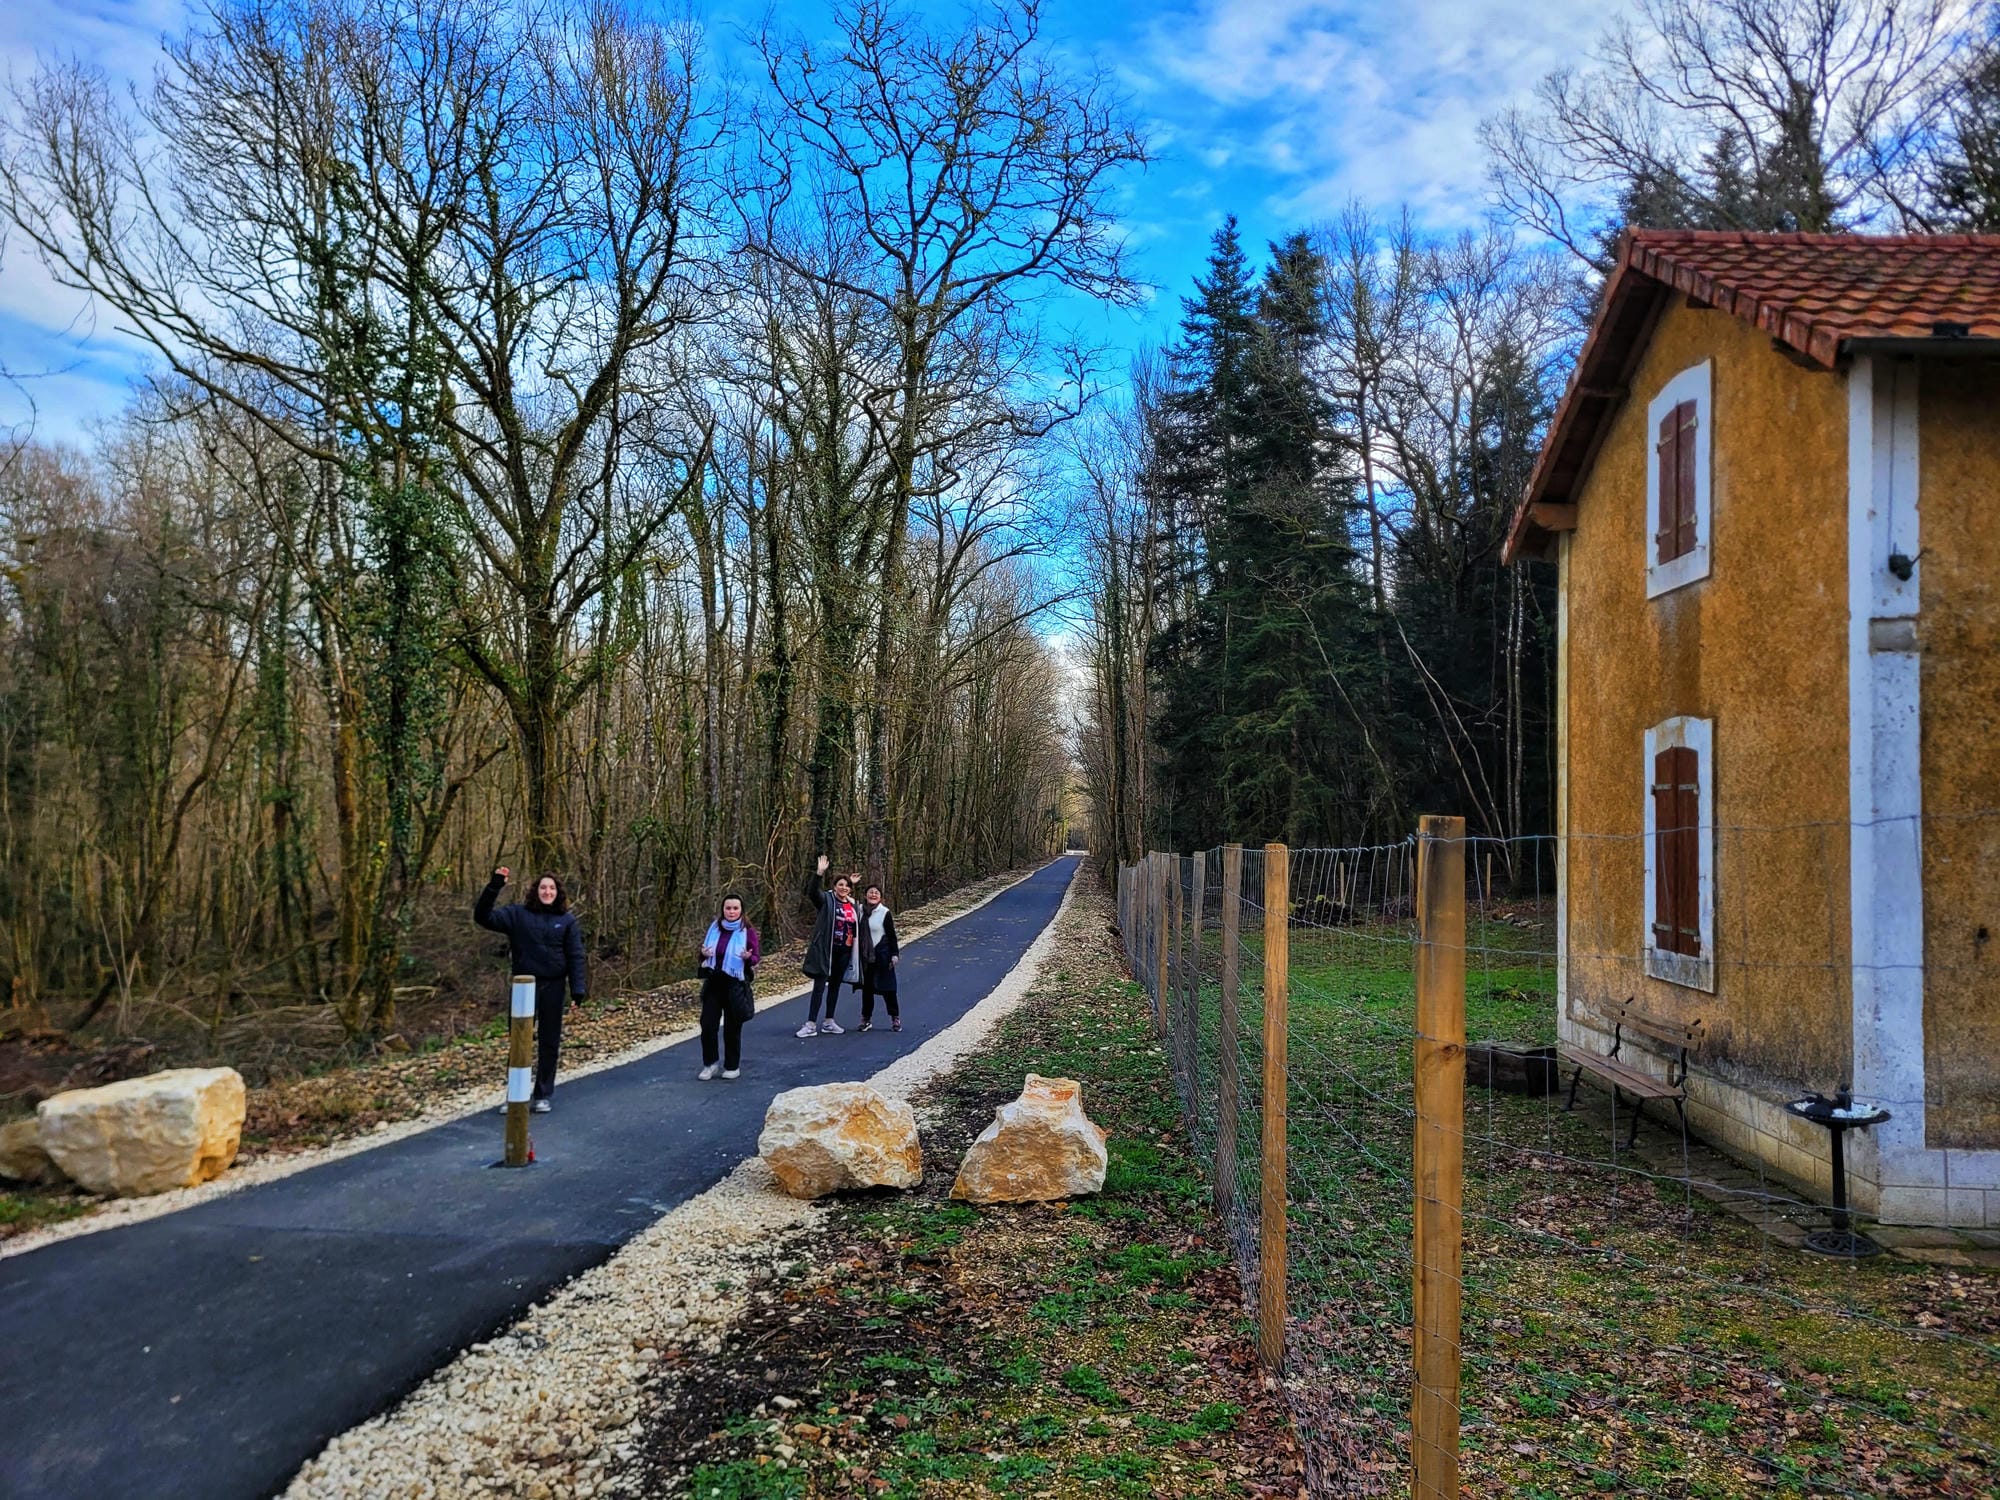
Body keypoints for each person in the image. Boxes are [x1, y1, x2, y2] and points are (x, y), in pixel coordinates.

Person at [474, 867, 588, 1112]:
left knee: (549, 1041)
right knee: (520, 1039)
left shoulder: (566, 921)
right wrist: (495, 885)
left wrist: (578, 990)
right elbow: (482, 916)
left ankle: (542, 1094)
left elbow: (575, 955)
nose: (547, 891)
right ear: (536, 891)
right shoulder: (518, 915)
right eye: (543, 887)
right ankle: (516, 1094)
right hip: (524, 986)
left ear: (558, 893)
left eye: (552, 888)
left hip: (554, 986)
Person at [798, 854, 869, 1037]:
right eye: (840, 885)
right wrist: (819, 873)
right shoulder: (827, 901)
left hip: (844, 952)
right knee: (820, 986)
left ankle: (829, 1021)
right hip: (826, 950)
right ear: (834, 887)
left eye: (846, 886)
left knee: (835, 986)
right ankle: (811, 1024)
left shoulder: (853, 905)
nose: (843, 888)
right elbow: (813, 892)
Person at [697, 894, 761, 1080]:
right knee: (708, 1025)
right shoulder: (714, 928)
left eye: (735, 908)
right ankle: (710, 1064)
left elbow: (755, 956)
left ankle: (732, 1066)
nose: (731, 912)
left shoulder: (747, 931)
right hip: (714, 982)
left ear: (741, 910)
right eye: (728, 908)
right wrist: (702, 953)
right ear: (722, 909)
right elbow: (703, 956)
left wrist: (748, 958)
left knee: (732, 1027)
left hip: (735, 983)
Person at [851, 882, 901, 1033]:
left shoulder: (884, 912)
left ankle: (895, 1018)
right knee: (867, 990)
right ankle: (866, 1019)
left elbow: (892, 935)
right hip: (865, 957)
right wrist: (852, 884)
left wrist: (894, 954)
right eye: (870, 892)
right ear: (865, 895)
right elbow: (844, 896)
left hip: (882, 955)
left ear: (880, 897)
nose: (873, 895)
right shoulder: (859, 910)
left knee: (889, 989)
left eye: (876, 893)